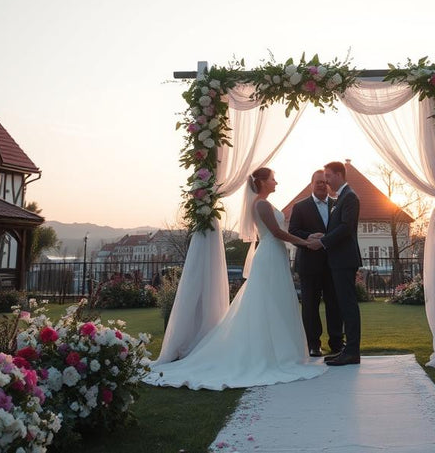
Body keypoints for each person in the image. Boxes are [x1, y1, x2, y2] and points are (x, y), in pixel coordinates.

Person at [148, 167, 327, 389]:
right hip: (270, 255)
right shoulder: (261, 204)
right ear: (261, 182)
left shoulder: (264, 204)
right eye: (273, 179)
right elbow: (277, 232)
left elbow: (281, 230)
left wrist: (307, 236)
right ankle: (268, 354)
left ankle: (274, 350)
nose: (276, 182)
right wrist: (307, 243)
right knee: (267, 303)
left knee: (275, 303)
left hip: (275, 254)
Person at [307, 161, 362, 366]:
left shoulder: (350, 197)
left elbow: (347, 228)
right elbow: (338, 228)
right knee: (344, 305)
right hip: (338, 260)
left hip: (344, 260)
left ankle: (352, 352)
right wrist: (325, 234)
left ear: (339, 175)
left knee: (348, 306)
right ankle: (348, 350)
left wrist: (322, 242)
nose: (326, 180)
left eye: (328, 176)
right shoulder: (341, 197)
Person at [288, 170, 345, 357]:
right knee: (310, 306)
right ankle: (313, 344)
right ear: (311, 184)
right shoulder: (300, 206)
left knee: (334, 304)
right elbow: (293, 231)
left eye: (324, 182)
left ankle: (337, 343)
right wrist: (308, 236)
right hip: (309, 264)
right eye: (318, 182)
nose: (322, 184)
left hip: (333, 263)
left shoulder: (338, 205)